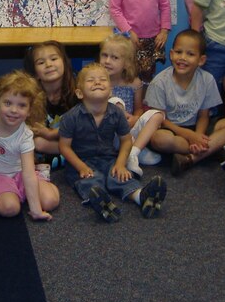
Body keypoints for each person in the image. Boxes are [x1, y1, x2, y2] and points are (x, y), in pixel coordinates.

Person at [58, 63, 167, 223]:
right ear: (80, 93)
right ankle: (103, 203)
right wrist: (80, 166)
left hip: (109, 159)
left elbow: (125, 140)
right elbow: (64, 147)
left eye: (102, 79)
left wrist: (121, 164)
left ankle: (141, 197)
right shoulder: (71, 117)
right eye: (91, 80)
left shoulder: (116, 113)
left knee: (118, 176)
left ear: (110, 91)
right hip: (80, 163)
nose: (97, 82)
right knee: (91, 180)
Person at [0, 70, 60, 220]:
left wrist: (36, 210)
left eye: (22, 105)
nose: (13, 110)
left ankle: (32, 187)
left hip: (20, 174)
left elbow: (28, 173)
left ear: (30, 110)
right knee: (11, 208)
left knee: (50, 201)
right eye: (8, 103)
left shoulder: (25, 135)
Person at [144, 30, 225, 176]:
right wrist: (189, 135)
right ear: (171, 54)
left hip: (198, 127)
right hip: (172, 129)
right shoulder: (160, 82)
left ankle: (191, 157)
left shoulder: (207, 80)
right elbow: (160, 120)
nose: (182, 58)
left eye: (190, 54)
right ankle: (210, 149)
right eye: (178, 52)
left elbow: (203, 115)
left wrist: (198, 136)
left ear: (201, 60)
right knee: (159, 139)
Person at [99, 34, 163, 176]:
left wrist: (135, 118)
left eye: (114, 58)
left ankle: (134, 152)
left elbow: (139, 108)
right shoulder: (99, 82)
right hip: (110, 133)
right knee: (114, 102)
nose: (107, 61)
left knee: (157, 115)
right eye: (104, 55)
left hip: (129, 129)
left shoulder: (135, 83)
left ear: (127, 63)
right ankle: (130, 150)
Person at [23, 41, 78, 163]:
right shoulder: (31, 97)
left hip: (75, 144)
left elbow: (84, 127)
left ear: (64, 62)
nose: (48, 64)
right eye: (41, 62)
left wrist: (51, 133)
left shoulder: (78, 92)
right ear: (35, 72)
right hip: (46, 153)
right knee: (38, 143)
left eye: (53, 59)